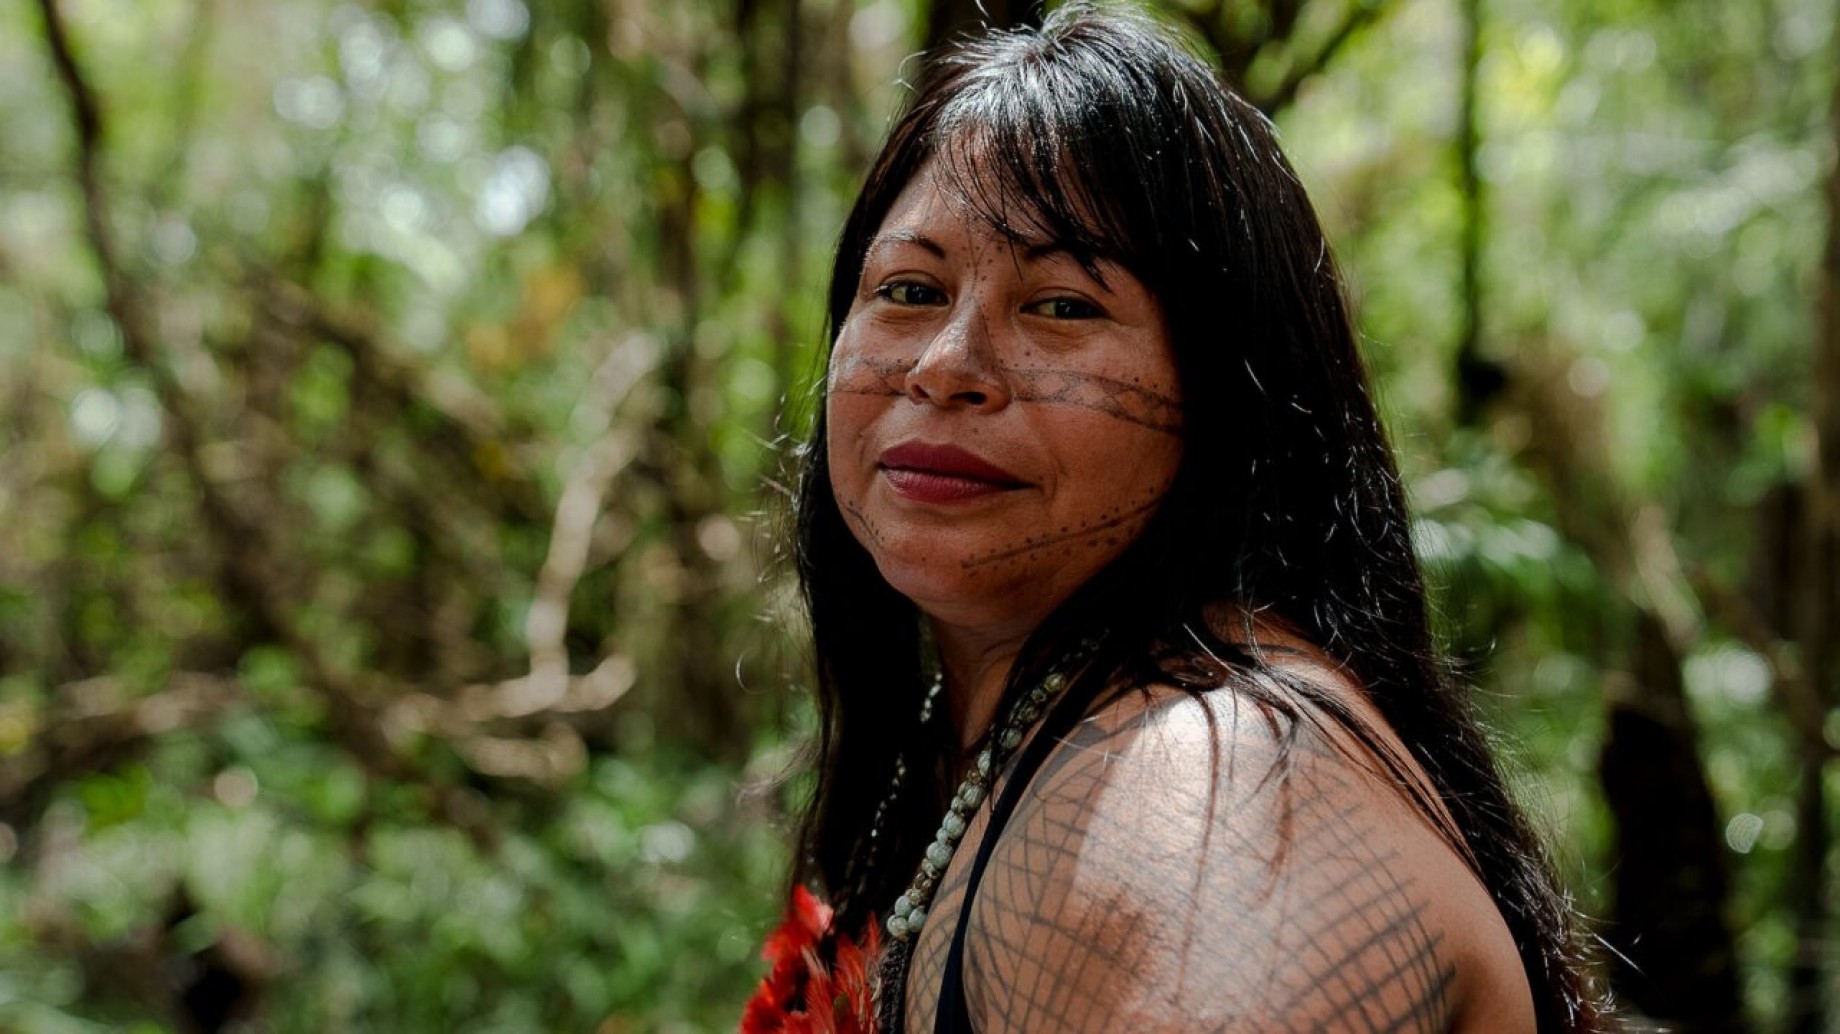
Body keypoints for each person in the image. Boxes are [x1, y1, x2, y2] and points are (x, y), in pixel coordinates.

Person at [758, 4, 1608, 1031]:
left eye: (1063, 303)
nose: (946, 366)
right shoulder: (979, 729)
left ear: (1228, 395)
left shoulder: (1213, 773)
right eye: (907, 288)